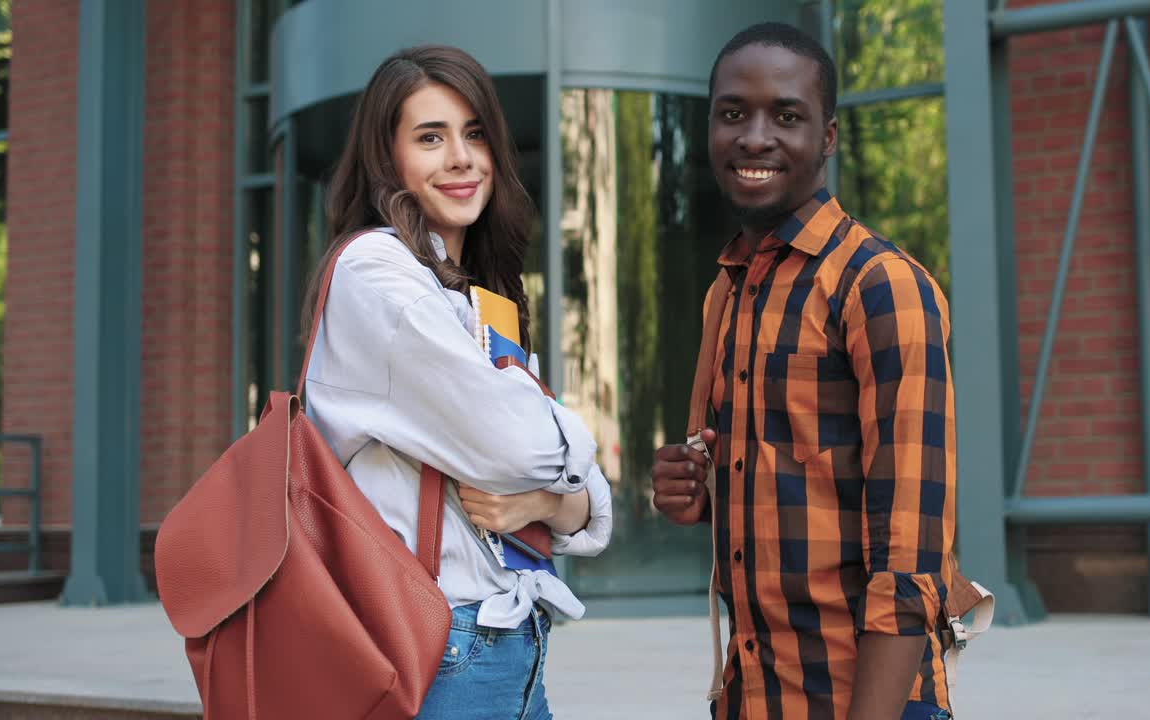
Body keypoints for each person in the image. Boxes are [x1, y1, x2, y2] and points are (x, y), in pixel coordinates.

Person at [651, 22, 982, 720]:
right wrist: (694, 493)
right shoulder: (727, 290)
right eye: (733, 113)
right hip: (751, 696)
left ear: (827, 137)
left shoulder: (880, 286)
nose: (755, 137)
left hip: (866, 700)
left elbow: (910, 551)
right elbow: (779, 481)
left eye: (787, 116)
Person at [303, 45, 611, 720]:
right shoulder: (378, 271)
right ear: (388, 159)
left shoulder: (470, 294)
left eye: (475, 134)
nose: (462, 158)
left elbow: (583, 504)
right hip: (445, 646)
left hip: (510, 646)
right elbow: (519, 445)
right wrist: (562, 471)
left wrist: (548, 504)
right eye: (430, 137)